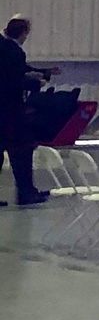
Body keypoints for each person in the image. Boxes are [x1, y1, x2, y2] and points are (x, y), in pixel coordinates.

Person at [0, 16, 48, 205]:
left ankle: (28, 191)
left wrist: (34, 72)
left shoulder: (2, 47)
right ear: (24, 33)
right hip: (9, 110)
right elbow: (12, 81)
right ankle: (26, 192)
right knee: (22, 150)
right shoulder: (14, 51)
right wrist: (36, 83)